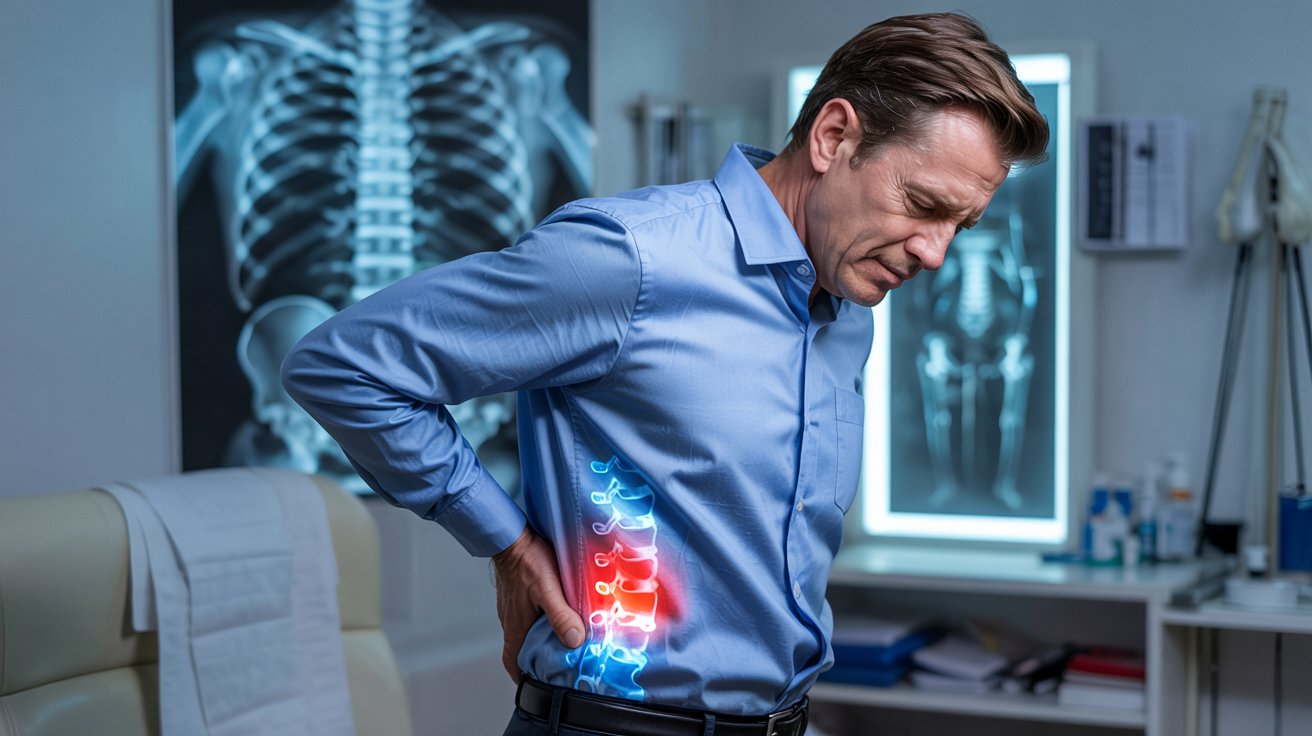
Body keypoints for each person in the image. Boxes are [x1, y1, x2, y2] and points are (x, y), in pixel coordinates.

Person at [282, 11, 1048, 736]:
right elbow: (345, 364)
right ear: (833, 135)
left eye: (962, 225)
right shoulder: (632, 261)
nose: (936, 253)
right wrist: (504, 540)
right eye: (922, 204)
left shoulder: (848, 314)